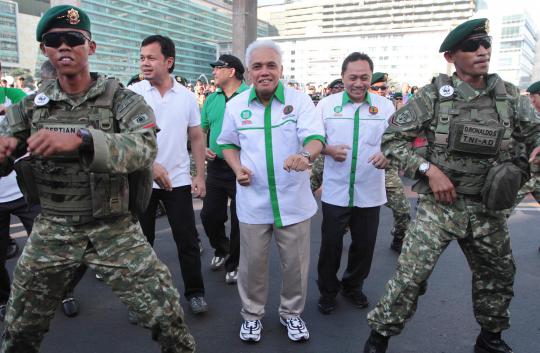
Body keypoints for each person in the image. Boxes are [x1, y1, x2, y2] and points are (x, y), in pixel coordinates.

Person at [0, 6, 196, 352]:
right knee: (20, 328)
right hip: (54, 227)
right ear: (45, 49)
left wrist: (84, 140)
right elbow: (7, 150)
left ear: (90, 47)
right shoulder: (29, 108)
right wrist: (5, 152)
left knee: (167, 318)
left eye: (73, 39)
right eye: (53, 41)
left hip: (114, 227)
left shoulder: (122, 99)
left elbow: (144, 147)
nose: (64, 47)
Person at [363, 18, 540, 353]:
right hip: (439, 207)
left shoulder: (511, 98)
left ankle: (490, 339)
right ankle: (379, 338)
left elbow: (534, 138)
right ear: (451, 56)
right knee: (410, 278)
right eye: (472, 45)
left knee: (498, 277)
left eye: (486, 42)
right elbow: (392, 142)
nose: (482, 50)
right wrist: (430, 170)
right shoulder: (432, 97)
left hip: (488, 208)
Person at [218, 39, 325, 343]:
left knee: (295, 267)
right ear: (249, 72)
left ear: (281, 68)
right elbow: (226, 143)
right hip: (253, 202)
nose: (264, 71)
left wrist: (305, 156)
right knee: (251, 266)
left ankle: (291, 314)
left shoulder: (300, 101)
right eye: (257, 66)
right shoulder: (236, 105)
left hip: (294, 201)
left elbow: (315, 137)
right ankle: (252, 316)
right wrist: (238, 168)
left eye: (270, 65)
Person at [130, 35, 208, 315]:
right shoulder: (134, 94)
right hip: (141, 181)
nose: (144, 63)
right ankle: (142, 298)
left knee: (187, 240)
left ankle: (196, 293)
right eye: (142, 58)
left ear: (169, 61)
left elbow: (197, 137)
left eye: (151, 58)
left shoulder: (187, 97)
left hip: (178, 180)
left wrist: (199, 175)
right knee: (142, 243)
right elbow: (123, 138)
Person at [315, 53, 393, 315]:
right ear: (343, 76)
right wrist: (327, 150)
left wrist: (387, 155)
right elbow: (311, 139)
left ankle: (353, 285)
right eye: (352, 77)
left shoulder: (385, 107)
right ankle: (327, 291)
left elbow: (395, 142)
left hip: (370, 190)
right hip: (336, 190)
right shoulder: (326, 106)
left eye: (364, 77)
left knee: (364, 244)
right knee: (331, 244)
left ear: (370, 77)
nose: (358, 83)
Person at [200, 54, 249, 284]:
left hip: (243, 166)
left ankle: (235, 263)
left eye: (218, 68)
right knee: (209, 215)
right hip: (217, 167)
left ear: (231, 71)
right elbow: (202, 130)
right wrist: (204, 150)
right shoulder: (211, 99)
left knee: (240, 218)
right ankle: (222, 249)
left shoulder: (251, 96)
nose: (213, 72)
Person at [0, 61, 40, 322]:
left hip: (22, 192)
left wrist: (7, 111)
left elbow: (37, 108)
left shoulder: (15, 96)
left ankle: (61, 293)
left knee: (43, 249)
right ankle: (4, 298)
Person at [369, 73, 411, 253]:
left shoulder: (393, 107)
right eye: (376, 87)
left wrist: (397, 160)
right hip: (355, 165)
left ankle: (399, 237)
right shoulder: (356, 106)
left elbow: (401, 136)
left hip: (384, 166)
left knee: (402, 208)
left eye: (383, 87)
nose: (380, 91)